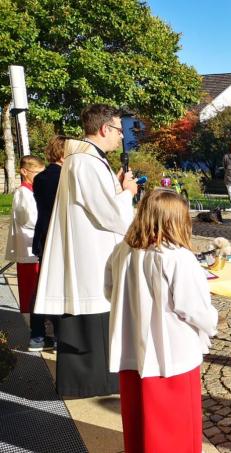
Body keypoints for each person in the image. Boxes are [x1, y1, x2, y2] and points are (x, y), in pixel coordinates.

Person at [34, 103, 138, 397]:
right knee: (93, 311)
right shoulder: (86, 162)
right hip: (90, 253)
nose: (121, 137)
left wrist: (116, 188)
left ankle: (96, 380)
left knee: (96, 315)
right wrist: (128, 193)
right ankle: (91, 383)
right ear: (105, 128)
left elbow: (99, 202)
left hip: (90, 248)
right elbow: (110, 214)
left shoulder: (86, 160)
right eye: (119, 130)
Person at [105, 189, 218, 453]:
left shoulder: (123, 250)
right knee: (175, 427)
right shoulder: (178, 258)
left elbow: (109, 290)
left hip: (132, 346)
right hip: (172, 352)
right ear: (175, 221)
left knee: (139, 422)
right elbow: (193, 308)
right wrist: (212, 322)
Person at [31, 135, 67, 351]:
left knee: (44, 285)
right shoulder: (65, 177)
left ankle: (37, 333)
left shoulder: (41, 177)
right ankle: (58, 334)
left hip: (44, 236)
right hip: (61, 238)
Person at [5, 156, 45, 349]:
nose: (40, 177)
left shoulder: (32, 191)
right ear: (24, 172)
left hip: (33, 248)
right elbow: (28, 219)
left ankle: (40, 327)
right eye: (37, 173)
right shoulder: (23, 192)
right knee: (32, 290)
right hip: (29, 250)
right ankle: (36, 330)